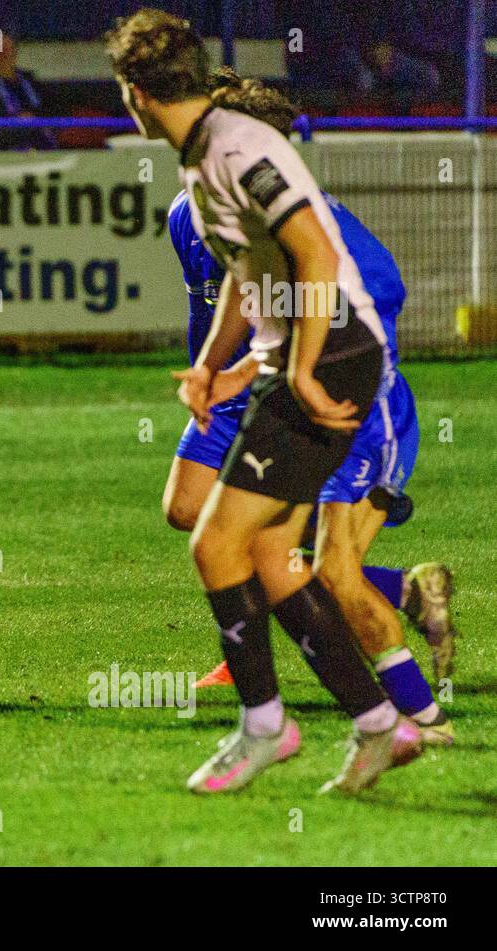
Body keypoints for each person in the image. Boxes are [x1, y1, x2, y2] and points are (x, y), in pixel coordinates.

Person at [107, 8, 423, 794]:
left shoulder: (236, 148)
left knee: (217, 544)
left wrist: (306, 370)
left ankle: (267, 726)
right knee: (271, 558)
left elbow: (315, 252)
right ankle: (383, 725)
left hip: (339, 356)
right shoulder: (201, 154)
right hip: (303, 360)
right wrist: (213, 367)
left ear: (138, 93)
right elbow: (250, 277)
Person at [161, 69, 457, 748]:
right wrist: (211, 371)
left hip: (338, 396)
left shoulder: (308, 217)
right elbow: (225, 295)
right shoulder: (191, 210)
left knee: (303, 561)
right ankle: (406, 597)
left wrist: (296, 363)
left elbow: (375, 302)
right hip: (254, 386)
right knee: (191, 511)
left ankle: (406, 719)